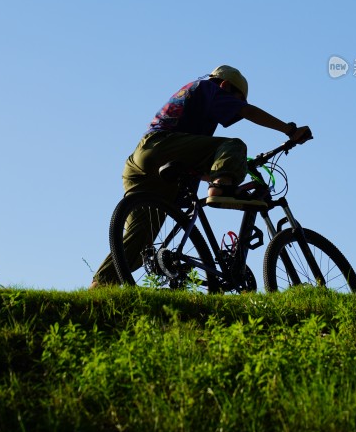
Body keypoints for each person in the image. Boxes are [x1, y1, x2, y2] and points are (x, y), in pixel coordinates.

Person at [91, 65, 312, 287]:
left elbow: (202, 161)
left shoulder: (194, 98)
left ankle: (99, 287)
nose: (235, 108)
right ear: (225, 85)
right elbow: (248, 112)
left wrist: (222, 172)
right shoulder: (209, 88)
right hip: (162, 146)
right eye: (236, 100)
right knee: (233, 145)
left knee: (138, 244)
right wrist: (289, 130)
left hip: (140, 164)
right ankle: (221, 188)